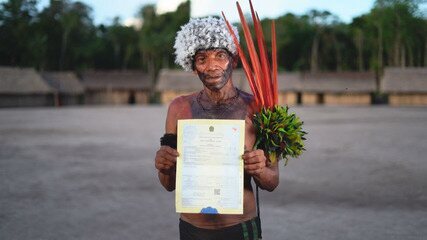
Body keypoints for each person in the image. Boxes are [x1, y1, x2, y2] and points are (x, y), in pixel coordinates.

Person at [154, 16, 279, 240]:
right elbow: (169, 185)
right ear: (192, 66)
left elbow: (272, 182)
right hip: (192, 228)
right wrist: (164, 165)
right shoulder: (179, 108)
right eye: (202, 58)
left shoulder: (258, 108)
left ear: (234, 60)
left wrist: (260, 168)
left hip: (241, 226)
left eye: (220, 56)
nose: (212, 66)